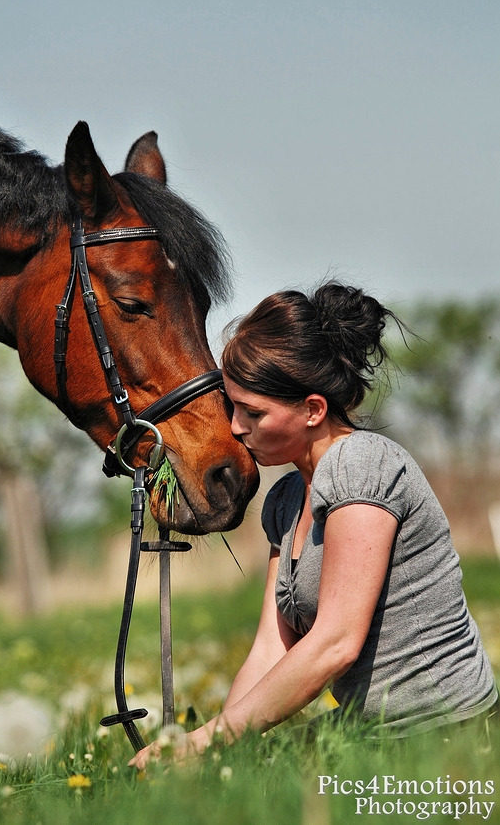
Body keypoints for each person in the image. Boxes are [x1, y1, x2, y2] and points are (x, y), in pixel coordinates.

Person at [129, 282, 497, 769]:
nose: (236, 427)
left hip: (448, 738)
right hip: (372, 734)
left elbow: (335, 644)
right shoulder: (284, 501)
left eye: (252, 412)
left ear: (312, 410)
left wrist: (206, 743)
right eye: (232, 407)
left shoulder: (363, 465)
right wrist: (217, 754)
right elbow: (269, 649)